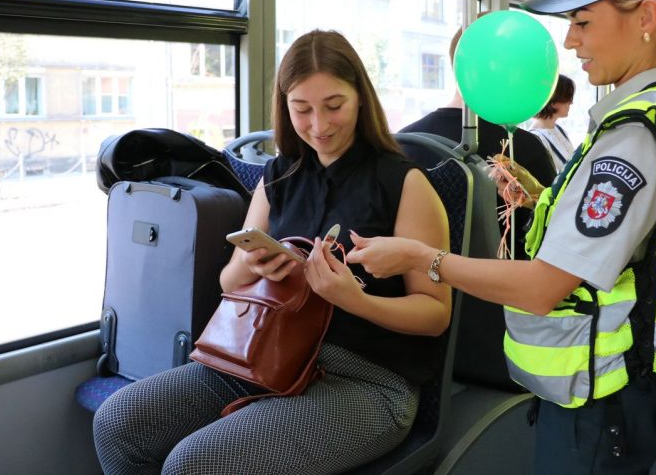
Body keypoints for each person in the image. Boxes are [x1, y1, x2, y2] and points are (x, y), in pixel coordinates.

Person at [346, 0, 656, 474]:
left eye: (583, 23)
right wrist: (538, 196)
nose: (571, 42)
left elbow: (542, 289)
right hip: (630, 379)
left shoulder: (635, 136)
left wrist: (423, 259)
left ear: (646, 17)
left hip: (599, 398)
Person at [92, 30, 451, 475]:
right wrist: (247, 264)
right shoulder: (278, 178)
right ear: (285, 107)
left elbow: (435, 313)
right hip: (266, 354)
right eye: (302, 109)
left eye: (334, 106)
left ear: (361, 98)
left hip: (366, 380)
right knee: (119, 422)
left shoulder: (405, 184)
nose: (319, 126)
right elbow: (229, 284)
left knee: (193, 465)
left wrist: (356, 300)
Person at [400, 19, 556, 256]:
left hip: (417, 283)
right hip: (507, 287)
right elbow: (554, 233)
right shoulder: (525, 148)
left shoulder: (404, 142)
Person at [528, 74, 577, 172]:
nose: (571, 103)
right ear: (553, 100)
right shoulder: (536, 139)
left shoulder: (559, 129)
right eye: (568, 98)